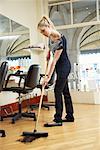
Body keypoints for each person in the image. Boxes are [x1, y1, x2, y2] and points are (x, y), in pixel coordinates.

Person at [37, 16, 74, 127]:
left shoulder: (59, 39)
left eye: (43, 30)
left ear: (48, 27)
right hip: (60, 67)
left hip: (63, 67)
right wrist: (49, 53)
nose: (43, 33)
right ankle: (70, 116)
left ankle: (57, 119)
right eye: (41, 32)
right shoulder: (51, 37)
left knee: (57, 91)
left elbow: (54, 61)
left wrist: (47, 76)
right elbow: (51, 55)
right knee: (65, 92)